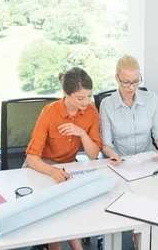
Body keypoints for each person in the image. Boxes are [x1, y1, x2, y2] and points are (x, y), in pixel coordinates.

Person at [100, 55, 158, 250]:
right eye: (126, 82)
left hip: (148, 162)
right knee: (138, 209)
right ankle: (139, 237)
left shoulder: (151, 100)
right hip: (122, 165)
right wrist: (112, 154)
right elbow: (106, 145)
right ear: (116, 78)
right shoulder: (107, 105)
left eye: (135, 81)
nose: (131, 87)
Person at [25, 67, 102, 250]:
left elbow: (93, 154)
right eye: (80, 98)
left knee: (67, 206)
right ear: (65, 94)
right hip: (42, 167)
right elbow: (31, 158)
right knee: (56, 208)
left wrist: (82, 133)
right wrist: (53, 171)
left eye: (89, 96)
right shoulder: (50, 112)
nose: (85, 102)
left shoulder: (91, 113)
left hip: (68, 167)